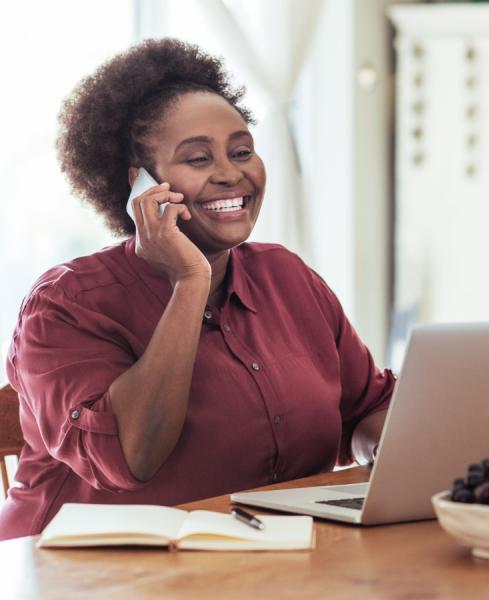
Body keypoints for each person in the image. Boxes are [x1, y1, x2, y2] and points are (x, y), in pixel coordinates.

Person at [0, 39, 394, 540]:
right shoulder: (66, 306)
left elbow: (365, 409)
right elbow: (130, 457)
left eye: (242, 151)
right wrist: (190, 282)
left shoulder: (287, 277)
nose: (231, 174)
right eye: (198, 159)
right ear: (140, 185)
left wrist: (395, 451)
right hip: (78, 576)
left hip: (264, 565)